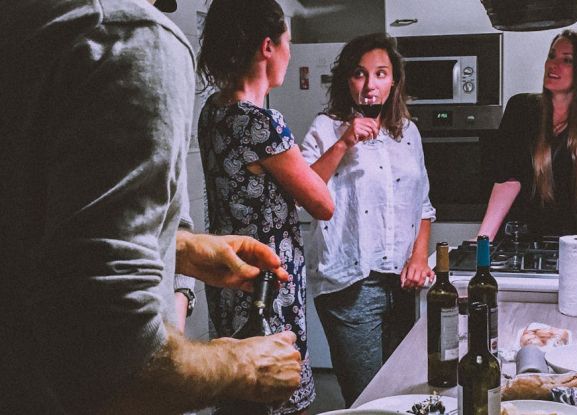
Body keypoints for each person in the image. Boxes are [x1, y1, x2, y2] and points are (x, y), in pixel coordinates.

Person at [0, 0, 304, 413]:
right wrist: (244, 365)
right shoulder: (131, 38)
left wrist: (180, 249)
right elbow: (118, 361)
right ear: (269, 45)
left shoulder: (28, 22)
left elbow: (38, 223)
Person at [196, 0, 334, 414]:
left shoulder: (213, 113)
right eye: (288, 41)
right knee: (276, 394)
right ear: (267, 47)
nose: (290, 53)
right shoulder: (262, 123)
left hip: (228, 279)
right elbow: (322, 203)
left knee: (239, 395)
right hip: (266, 288)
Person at [300, 32, 436, 407]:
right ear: (348, 80)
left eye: (380, 74)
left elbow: (422, 203)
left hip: (402, 285)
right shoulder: (325, 127)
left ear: (394, 81)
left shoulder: (408, 132)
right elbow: (306, 193)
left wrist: (419, 257)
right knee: (368, 400)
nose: (370, 85)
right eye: (360, 74)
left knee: (402, 393)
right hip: (350, 285)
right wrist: (344, 143)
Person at [477, 30, 577, 244]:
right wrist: (482, 241)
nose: (554, 65)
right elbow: (507, 181)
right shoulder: (521, 109)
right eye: (552, 56)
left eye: (567, 60)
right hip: (527, 241)